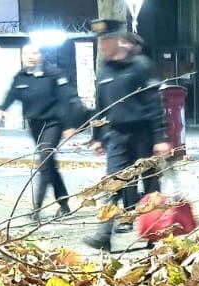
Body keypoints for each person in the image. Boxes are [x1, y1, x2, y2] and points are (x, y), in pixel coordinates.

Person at [83, 21, 170, 251]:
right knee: (112, 184)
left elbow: (154, 104)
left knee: (150, 186)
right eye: (99, 41)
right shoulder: (104, 70)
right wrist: (98, 136)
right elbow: (100, 107)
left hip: (144, 135)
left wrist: (160, 138)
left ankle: (157, 235)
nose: (100, 45)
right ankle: (103, 237)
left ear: (117, 40)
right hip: (117, 137)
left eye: (104, 40)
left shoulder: (141, 66)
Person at [0, 44, 80, 218]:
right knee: (48, 163)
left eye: (34, 53)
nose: (30, 56)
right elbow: (12, 95)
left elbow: (67, 99)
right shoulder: (21, 77)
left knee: (44, 160)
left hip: (53, 123)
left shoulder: (54, 74)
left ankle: (36, 207)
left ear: (41, 55)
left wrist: (70, 125)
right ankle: (63, 203)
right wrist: (2, 108)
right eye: (26, 53)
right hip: (35, 125)